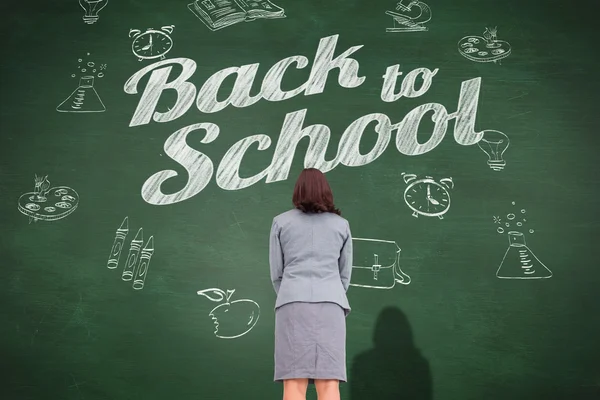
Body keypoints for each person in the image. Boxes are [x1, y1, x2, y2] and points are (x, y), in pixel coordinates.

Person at [269, 168, 353, 400]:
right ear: (326, 191)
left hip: (292, 303)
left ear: (298, 190)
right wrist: (330, 291)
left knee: (294, 385)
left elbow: (277, 273)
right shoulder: (341, 225)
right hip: (331, 305)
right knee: (329, 386)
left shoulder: (280, 222)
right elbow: (344, 275)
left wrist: (292, 293)